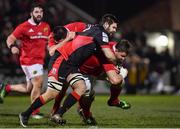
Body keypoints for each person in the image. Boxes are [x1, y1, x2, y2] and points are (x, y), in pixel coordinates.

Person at [18, 14, 119, 127]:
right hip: (62, 60)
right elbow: (109, 56)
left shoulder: (90, 28)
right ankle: (25, 114)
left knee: (81, 87)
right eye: (114, 27)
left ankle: (58, 114)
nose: (115, 31)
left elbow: (75, 35)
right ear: (106, 24)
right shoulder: (101, 33)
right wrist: (117, 62)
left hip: (72, 64)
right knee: (52, 93)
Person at [48, 23, 131, 125]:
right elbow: (114, 79)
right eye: (122, 56)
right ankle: (85, 114)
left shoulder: (112, 45)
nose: (123, 59)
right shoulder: (107, 54)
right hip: (84, 71)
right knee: (88, 94)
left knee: (120, 82)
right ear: (116, 51)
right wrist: (123, 74)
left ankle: (113, 100)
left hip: (97, 70)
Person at [0, 3, 51, 119]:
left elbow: (47, 42)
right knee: (38, 83)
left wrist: (51, 48)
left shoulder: (46, 26)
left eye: (41, 12)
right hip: (28, 60)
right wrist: (12, 46)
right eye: (37, 12)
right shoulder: (24, 26)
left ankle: (6, 88)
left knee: (29, 88)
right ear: (31, 13)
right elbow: (10, 38)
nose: (39, 14)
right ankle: (34, 111)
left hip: (39, 61)